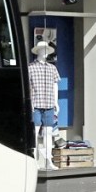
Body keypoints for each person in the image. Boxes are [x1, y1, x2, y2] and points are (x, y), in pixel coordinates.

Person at [28, 40, 60, 170]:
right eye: (44, 50)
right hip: (36, 104)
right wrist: (29, 103)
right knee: (34, 133)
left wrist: (56, 102)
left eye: (47, 50)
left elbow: (55, 85)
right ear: (38, 51)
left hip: (49, 105)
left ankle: (48, 162)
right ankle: (34, 161)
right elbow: (28, 87)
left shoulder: (52, 68)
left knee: (48, 133)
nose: (46, 53)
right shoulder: (30, 68)